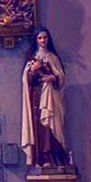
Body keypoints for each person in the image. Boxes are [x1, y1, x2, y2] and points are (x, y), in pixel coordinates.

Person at [21, 27, 68, 166]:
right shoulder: (32, 59)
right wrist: (33, 70)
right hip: (37, 97)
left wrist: (53, 77)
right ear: (35, 40)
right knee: (40, 127)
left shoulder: (53, 57)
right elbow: (26, 80)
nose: (43, 40)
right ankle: (43, 157)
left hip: (51, 98)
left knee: (51, 124)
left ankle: (55, 157)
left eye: (45, 37)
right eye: (40, 38)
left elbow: (61, 77)